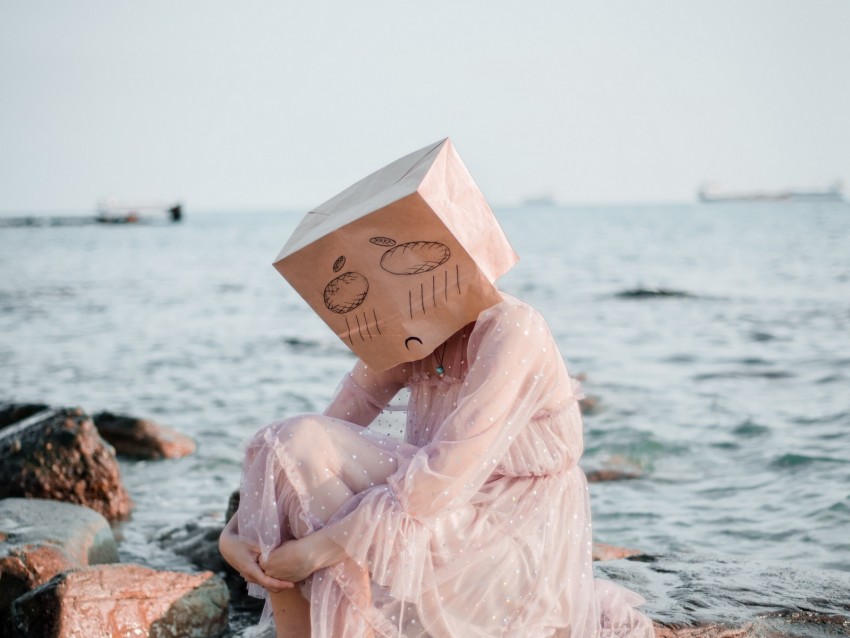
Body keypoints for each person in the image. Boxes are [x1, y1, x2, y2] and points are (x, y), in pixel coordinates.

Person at [220, 139, 654, 637]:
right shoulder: (414, 335)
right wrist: (232, 539)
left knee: (303, 455)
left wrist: (317, 550)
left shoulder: (515, 329)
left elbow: (438, 480)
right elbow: (316, 439)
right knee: (290, 445)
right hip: (435, 522)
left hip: (507, 542)